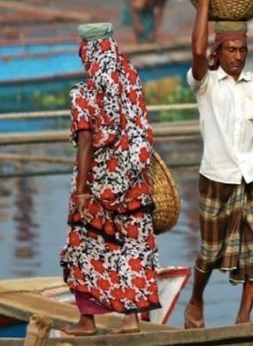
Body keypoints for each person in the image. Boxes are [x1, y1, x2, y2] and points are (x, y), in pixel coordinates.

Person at [183, 0, 253, 328]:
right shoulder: (205, 84)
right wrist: (203, 3)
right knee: (210, 253)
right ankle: (196, 300)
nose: (238, 57)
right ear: (220, 50)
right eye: (231, 50)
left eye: (242, 50)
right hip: (216, 177)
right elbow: (198, 52)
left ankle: (242, 315)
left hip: (252, 177)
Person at [60, 22, 160, 336]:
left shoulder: (83, 94)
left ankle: (87, 321)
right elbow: (140, 132)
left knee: (85, 248)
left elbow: (87, 142)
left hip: (93, 186)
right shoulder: (130, 82)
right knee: (132, 250)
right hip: (132, 184)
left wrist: (81, 192)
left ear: (87, 52)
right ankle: (131, 320)